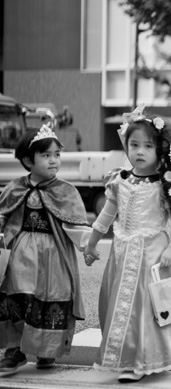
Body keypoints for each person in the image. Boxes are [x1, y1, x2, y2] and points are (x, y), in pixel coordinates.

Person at [82, 108, 171, 382]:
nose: (140, 151)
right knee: (123, 308)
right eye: (134, 145)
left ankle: (146, 360)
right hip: (123, 255)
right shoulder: (119, 181)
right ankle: (129, 357)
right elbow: (106, 216)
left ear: (160, 150)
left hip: (153, 256)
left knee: (149, 309)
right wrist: (91, 243)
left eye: (148, 146)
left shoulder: (165, 184)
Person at [0, 126, 89, 374]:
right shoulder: (15, 188)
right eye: (46, 155)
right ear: (29, 160)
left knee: (50, 296)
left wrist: (88, 246)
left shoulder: (66, 191)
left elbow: (75, 225)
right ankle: (14, 351)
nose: (54, 160)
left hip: (54, 255)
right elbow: (2, 216)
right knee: (19, 295)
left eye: (57, 155)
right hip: (20, 253)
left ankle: (46, 350)